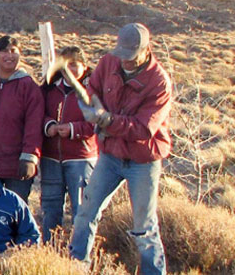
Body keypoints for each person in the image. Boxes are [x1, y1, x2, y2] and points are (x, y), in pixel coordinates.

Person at [70, 23, 172, 274]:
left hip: (143, 160)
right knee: (86, 212)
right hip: (111, 155)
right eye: (122, 53)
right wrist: (90, 103)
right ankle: (75, 267)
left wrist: (107, 120)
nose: (125, 60)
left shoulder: (159, 81)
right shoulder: (109, 62)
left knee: (144, 227)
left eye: (131, 54)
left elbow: (143, 129)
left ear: (146, 49)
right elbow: (92, 86)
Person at [39, 46, 98, 241]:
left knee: (81, 210)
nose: (70, 69)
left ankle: (79, 254)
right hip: (51, 158)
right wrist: (49, 125)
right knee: (50, 208)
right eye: (65, 64)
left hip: (81, 158)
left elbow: (97, 122)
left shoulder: (92, 91)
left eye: (74, 64)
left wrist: (74, 129)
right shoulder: (48, 88)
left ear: (84, 66)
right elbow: (37, 113)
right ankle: (51, 250)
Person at [0, 35, 43, 202]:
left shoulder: (28, 86)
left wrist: (30, 156)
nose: (9, 56)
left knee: (15, 212)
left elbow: (34, 123)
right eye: (4, 51)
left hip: (17, 165)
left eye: (13, 51)